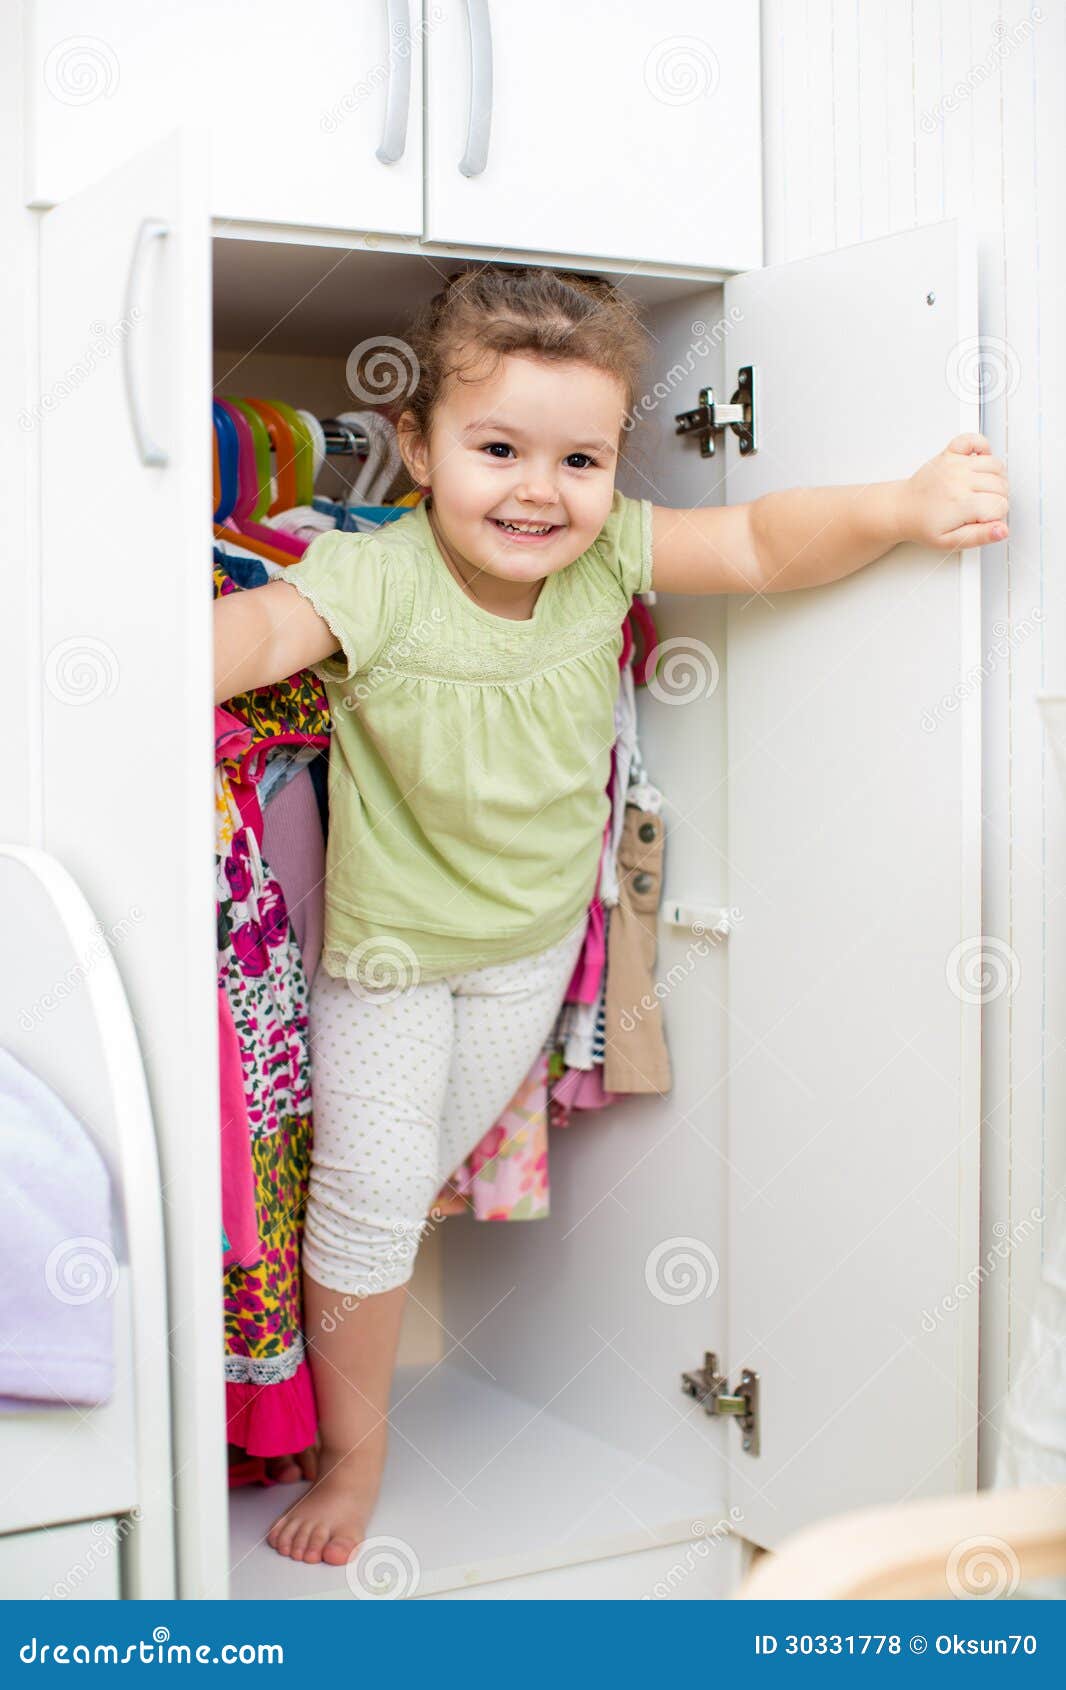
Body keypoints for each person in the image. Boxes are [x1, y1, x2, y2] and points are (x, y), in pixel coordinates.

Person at [213, 265, 1009, 1565]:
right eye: (498, 449)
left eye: (578, 458)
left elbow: (758, 544)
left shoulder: (606, 556)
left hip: (530, 952)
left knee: (394, 1194)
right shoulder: (376, 575)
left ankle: (311, 1375)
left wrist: (901, 507)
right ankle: (353, 1461)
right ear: (417, 445)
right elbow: (248, 640)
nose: (540, 489)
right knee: (366, 1203)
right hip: (390, 961)